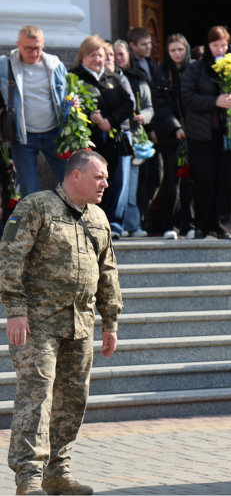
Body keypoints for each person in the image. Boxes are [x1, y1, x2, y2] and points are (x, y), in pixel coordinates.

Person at [1, 149, 122, 496]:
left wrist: (110, 320)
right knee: (36, 397)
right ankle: (29, 478)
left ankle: (58, 472)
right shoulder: (36, 207)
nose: (105, 184)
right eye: (99, 177)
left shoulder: (98, 217)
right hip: (37, 323)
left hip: (80, 324)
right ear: (76, 176)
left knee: (72, 400)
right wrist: (15, 308)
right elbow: (10, 257)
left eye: (107, 178)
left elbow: (108, 271)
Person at [181, 25, 231, 240]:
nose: (220, 50)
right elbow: (187, 97)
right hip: (202, 135)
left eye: (223, 45)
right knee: (204, 180)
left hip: (230, 135)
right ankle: (202, 227)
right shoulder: (196, 68)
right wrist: (215, 101)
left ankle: (224, 227)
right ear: (208, 46)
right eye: (216, 45)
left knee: (229, 181)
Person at [0, 26, 74, 197]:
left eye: (37, 48)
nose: (33, 53)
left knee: (71, 181)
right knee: (29, 190)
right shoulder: (5, 65)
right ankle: (35, 223)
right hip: (23, 137)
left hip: (54, 134)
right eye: (28, 48)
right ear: (18, 45)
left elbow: (68, 91)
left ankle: (75, 221)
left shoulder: (55, 65)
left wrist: (72, 100)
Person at [70, 36, 134, 216]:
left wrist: (110, 120)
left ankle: (107, 220)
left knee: (110, 179)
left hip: (111, 140)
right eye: (93, 55)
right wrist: (89, 117)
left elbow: (128, 104)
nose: (98, 60)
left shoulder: (111, 77)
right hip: (88, 141)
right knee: (89, 181)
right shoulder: (74, 77)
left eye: (100, 55)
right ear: (83, 56)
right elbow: (67, 105)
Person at [155, 33, 195, 240]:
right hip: (170, 137)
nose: (177, 54)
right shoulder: (161, 72)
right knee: (172, 180)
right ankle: (170, 224)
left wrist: (191, 127)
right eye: (173, 50)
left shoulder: (194, 69)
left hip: (194, 134)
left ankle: (190, 224)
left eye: (180, 49)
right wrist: (176, 127)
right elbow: (160, 106)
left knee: (191, 180)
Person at [113, 40, 154, 239]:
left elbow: (149, 106)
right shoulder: (108, 78)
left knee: (131, 183)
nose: (118, 58)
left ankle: (133, 224)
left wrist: (145, 116)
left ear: (129, 54)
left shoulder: (139, 78)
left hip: (134, 136)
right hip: (112, 135)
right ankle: (115, 224)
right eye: (114, 54)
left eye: (121, 54)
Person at [127, 28, 162, 231]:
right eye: (144, 44)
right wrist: (150, 129)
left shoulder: (150, 64)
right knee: (139, 179)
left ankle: (143, 213)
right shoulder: (131, 68)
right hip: (140, 131)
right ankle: (137, 219)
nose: (149, 48)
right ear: (132, 46)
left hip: (152, 126)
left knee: (155, 176)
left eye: (150, 43)